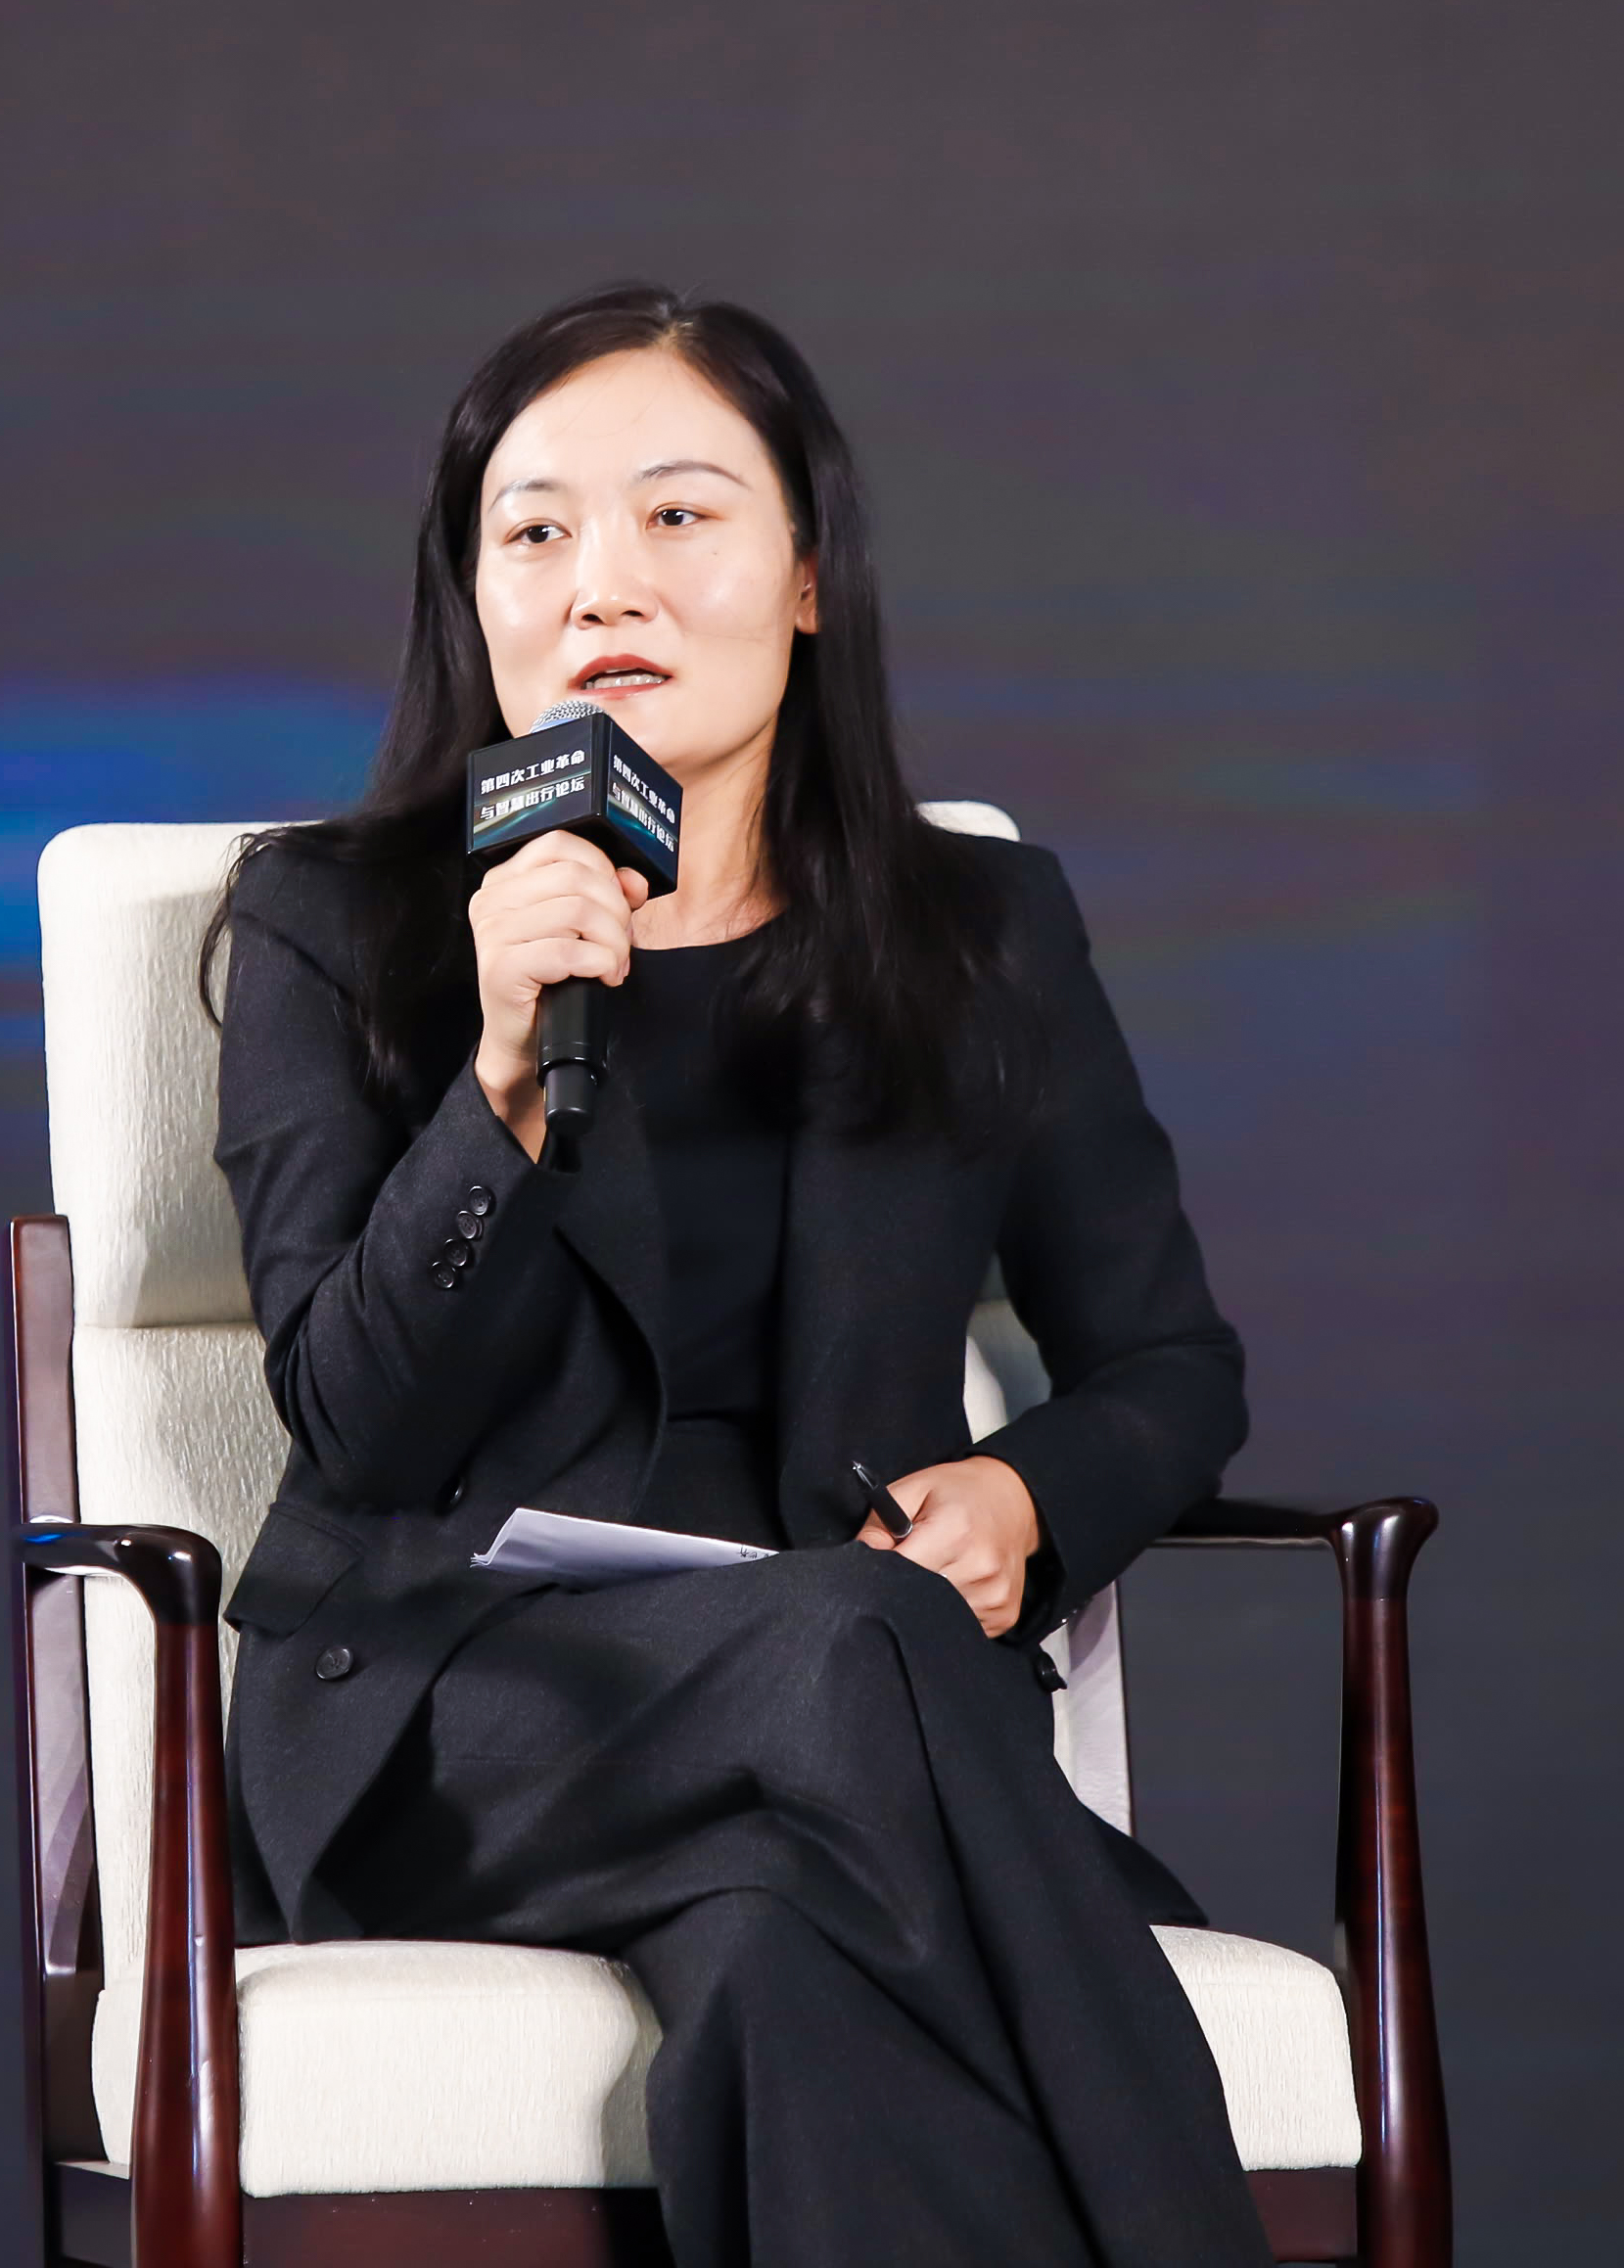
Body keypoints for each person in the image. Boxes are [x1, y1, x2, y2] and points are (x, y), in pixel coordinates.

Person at [209, 281, 1268, 2267]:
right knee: (863, 1632)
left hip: (834, 1753)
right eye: (533, 530)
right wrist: (502, 1080)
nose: (601, 580)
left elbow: (1169, 1363)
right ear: (474, 597)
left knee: (790, 1975)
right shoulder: (333, 925)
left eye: (678, 514)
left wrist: (1026, 1494)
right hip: (462, 1720)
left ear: (804, 577)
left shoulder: (980, 927)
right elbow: (358, 1429)